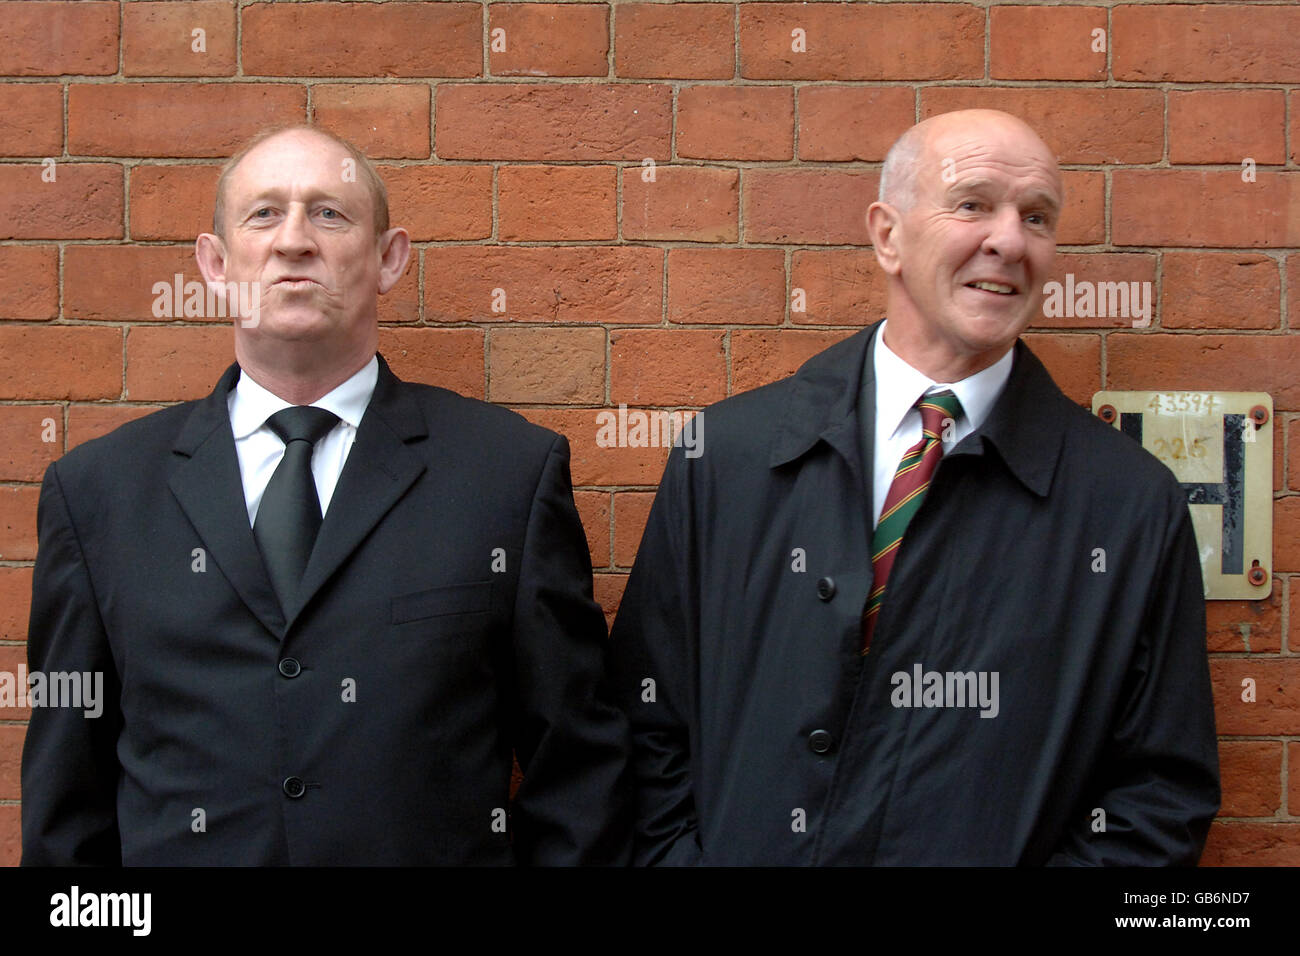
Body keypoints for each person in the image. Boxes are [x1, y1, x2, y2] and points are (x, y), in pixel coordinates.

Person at [608, 109, 1220, 865]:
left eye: (1037, 217)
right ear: (887, 235)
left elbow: (1158, 796)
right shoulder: (726, 456)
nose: (1009, 240)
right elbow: (641, 721)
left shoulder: (1127, 506)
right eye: (973, 204)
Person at [21, 125, 630, 866]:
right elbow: (66, 806)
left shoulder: (507, 475)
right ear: (215, 264)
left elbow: (579, 770)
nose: (295, 242)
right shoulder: (100, 494)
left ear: (388, 259)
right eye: (264, 214)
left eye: (330, 214)